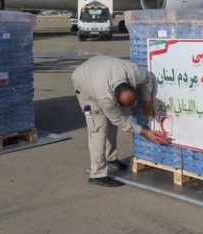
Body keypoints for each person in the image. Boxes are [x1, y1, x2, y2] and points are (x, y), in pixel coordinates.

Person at [71, 54, 170, 187]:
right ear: (115, 99)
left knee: (111, 124)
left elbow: (148, 78)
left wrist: (147, 101)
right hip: (84, 84)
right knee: (98, 128)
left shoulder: (134, 72)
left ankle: (111, 158)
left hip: (99, 67)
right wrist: (144, 132)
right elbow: (120, 121)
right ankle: (98, 173)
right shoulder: (104, 97)